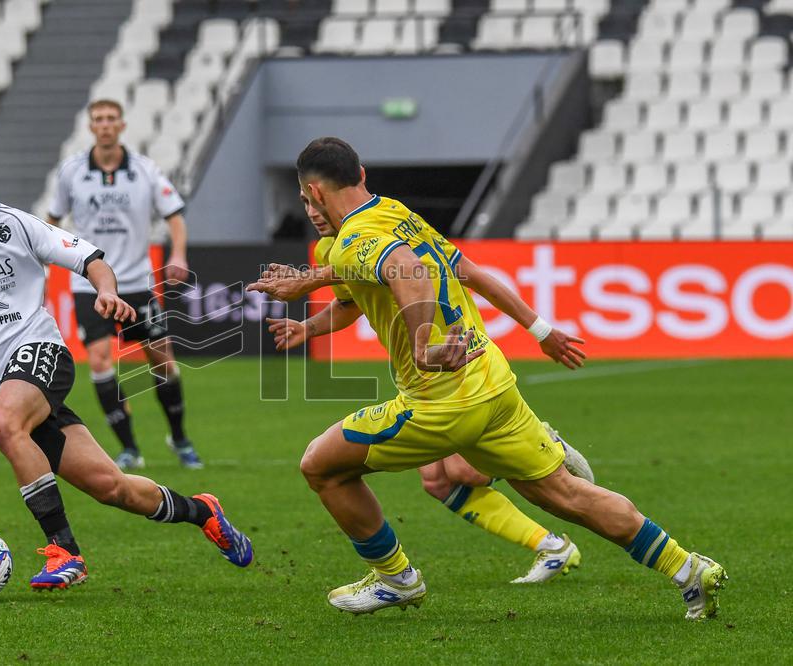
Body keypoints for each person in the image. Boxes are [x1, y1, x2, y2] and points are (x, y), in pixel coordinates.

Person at [289, 137, 726, 619]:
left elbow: (407, 269)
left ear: (316, 191)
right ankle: (687, 568)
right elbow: (445, 274)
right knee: (564, 494)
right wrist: (308, 318)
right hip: (490, 380)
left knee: (321, 466)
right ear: (362, 175)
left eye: (307, 199)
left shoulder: (354, 239)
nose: (308, 209)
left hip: (442, 400)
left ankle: (396, 578)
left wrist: (422, 345)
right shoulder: (396, 214)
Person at [0, 125, 252, 590]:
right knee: (113, 487)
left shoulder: (18, 225)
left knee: (3, 424)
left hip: (40, 352)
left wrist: (106, 291)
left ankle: (65, 552)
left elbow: (91, 260)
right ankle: (204, 511)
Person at [257, 190, 594, 584]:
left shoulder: (386, 228)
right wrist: (308, 327)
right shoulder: (329, 248)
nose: (314, 213)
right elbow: (350, 304)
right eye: (306, 204)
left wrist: (541, 330)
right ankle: (550, 545)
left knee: (464, 473)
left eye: (318, 202)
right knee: (438, 481)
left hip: (455, 364)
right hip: (420, 380)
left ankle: (545, 445)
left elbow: (467, 275)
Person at [46, 99, 200, 471]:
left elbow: (174, 215)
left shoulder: (145, 170)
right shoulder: (71, 172)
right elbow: (51, 221)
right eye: (98, 119)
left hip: (136, 282)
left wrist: (178, 254)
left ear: (122, 125)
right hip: (88, 284)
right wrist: (46, 262)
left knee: (161, 358)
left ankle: (179, 437)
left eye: (111, 119)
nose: (105, 125)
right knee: (100, 360)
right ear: (91, 127)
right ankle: (129, 447)